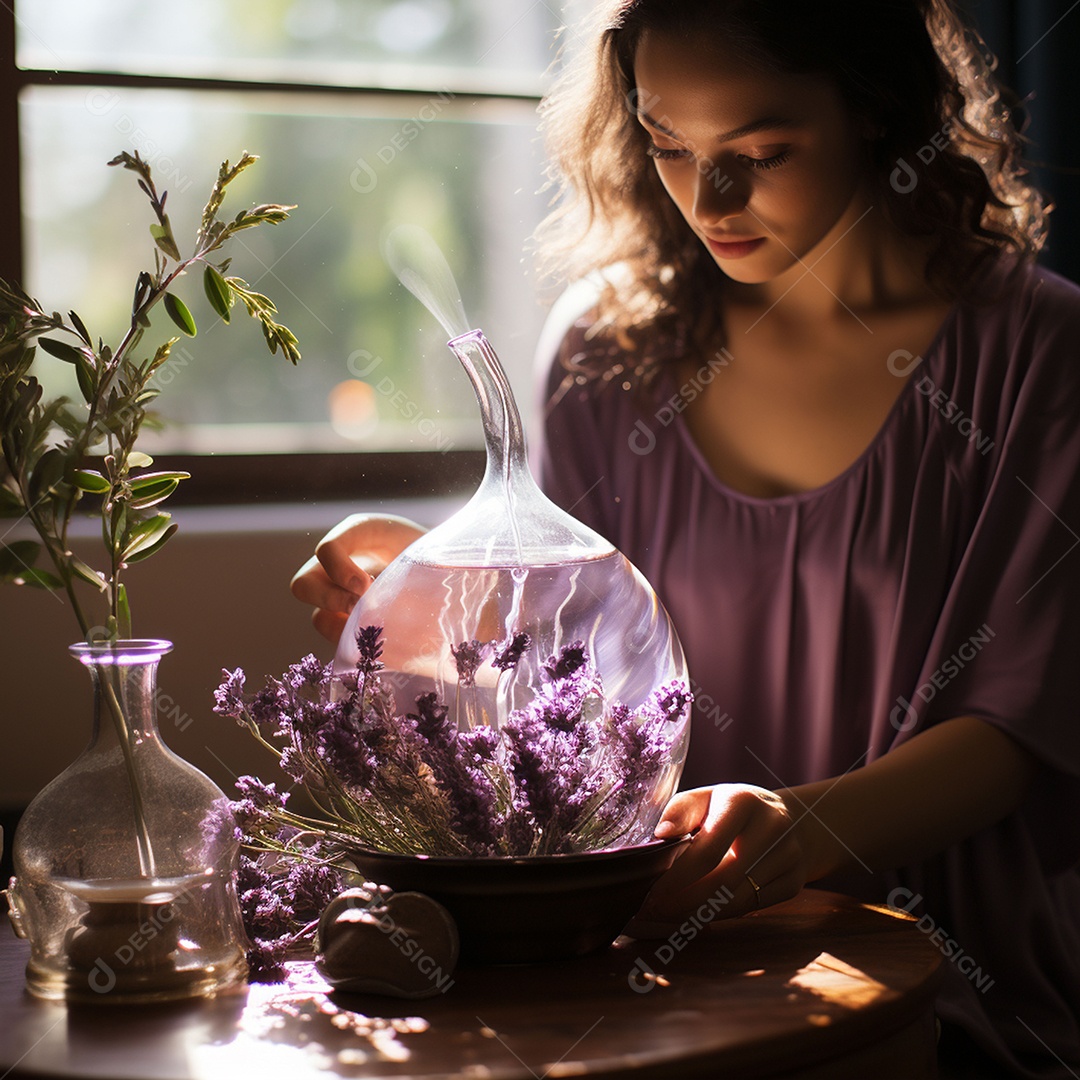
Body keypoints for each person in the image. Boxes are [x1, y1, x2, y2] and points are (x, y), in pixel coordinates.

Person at [292, 2, 1080, 1075]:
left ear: (879, 114)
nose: (710, 199)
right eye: (669, 146)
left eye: (761, 152)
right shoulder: (608, 353)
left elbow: (1017, 728)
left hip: (944, 980)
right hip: (648, 965)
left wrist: (798, 834)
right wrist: (437, 601)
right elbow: (572, 666)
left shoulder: (1037, 354)